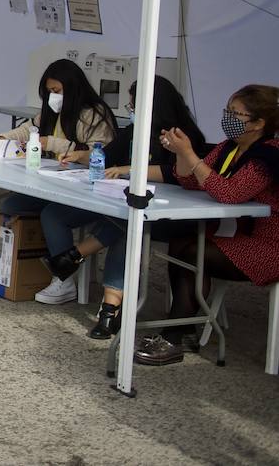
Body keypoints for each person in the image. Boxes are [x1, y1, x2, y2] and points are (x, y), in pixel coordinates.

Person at [35, 77, 208, 330]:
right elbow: (106, 157)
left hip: (169, 214)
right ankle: (103, 303)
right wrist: (82, 156)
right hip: (123, 202)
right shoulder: (134, 131)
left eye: (134, 104)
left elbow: (175, 173)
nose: (131, 110)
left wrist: (128, 169)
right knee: (57, 213)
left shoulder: (183, 135)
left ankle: (85, 272)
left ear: (153, 104)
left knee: (127, 226)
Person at [133, 84, 279, 366]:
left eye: (235, 114)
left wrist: (190, 155)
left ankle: (174, 336)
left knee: (191, 252)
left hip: (268, 246)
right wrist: (179, 151)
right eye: (227, 110)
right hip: (233, 235)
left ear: (259, 123)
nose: (228, 118)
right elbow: (190, 180)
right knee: (181, 242)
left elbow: (230, 193)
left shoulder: (268, 156)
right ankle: (184, 327)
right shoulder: (229, 148)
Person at [0, 58, 118, 300]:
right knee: (12, 207)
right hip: (55, 181)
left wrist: (51, 143)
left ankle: (63, 280)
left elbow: (98, 153)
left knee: (53, 215)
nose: (53, 97)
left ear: (73, 88)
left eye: (57, 91)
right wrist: (2, 138)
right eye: (49, 92)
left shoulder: (94, 114)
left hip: (88, 189)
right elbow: (29, 129)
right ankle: (22, 269)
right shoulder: (51, 111)